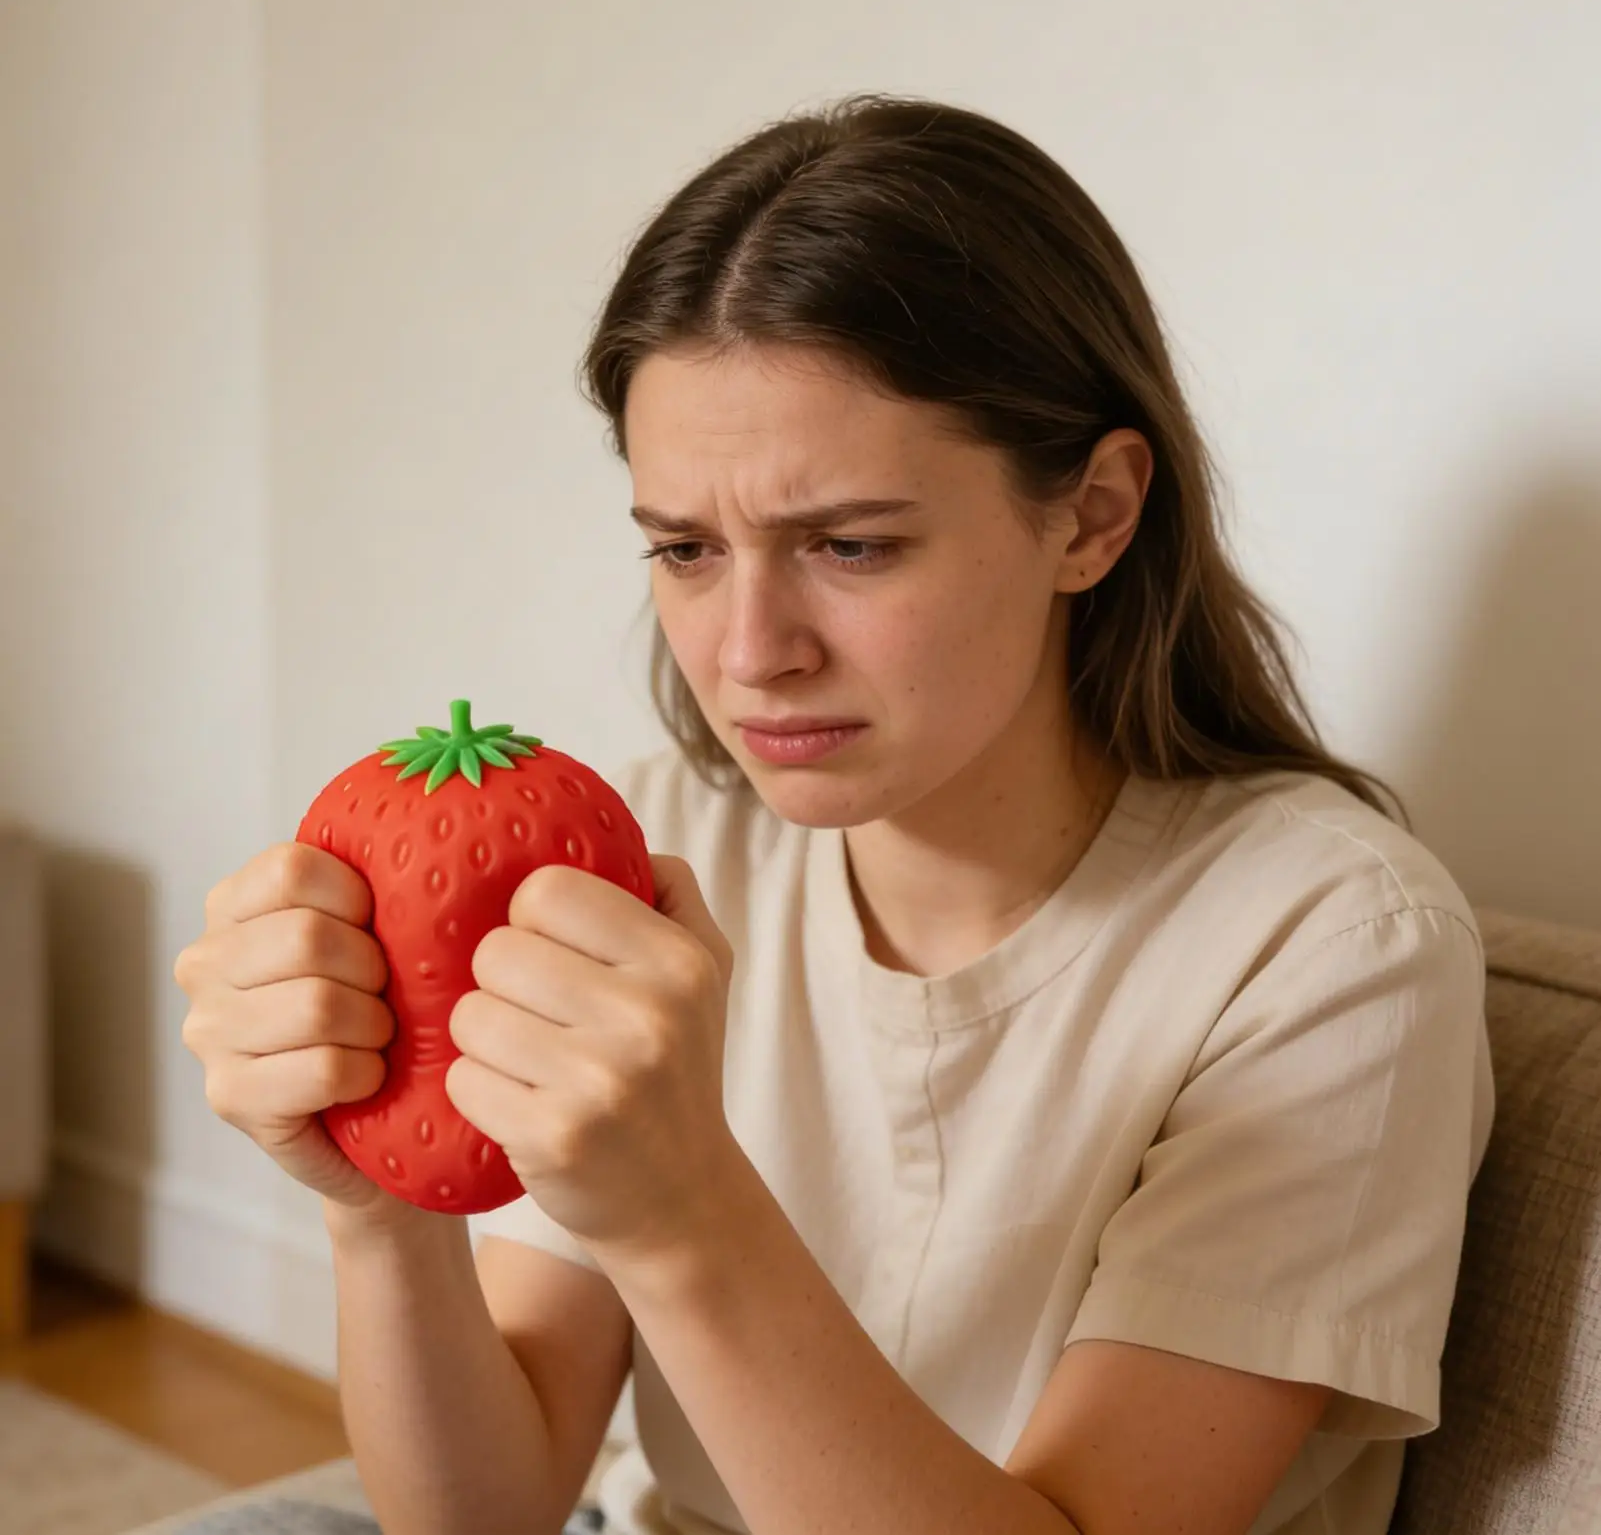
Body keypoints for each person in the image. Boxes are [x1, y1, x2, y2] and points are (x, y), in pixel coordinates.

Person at [173, 92, 1494, 1535]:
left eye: (849, 545)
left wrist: (679, 1211)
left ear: (1095, 515)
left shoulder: (1330, 943)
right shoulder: (677, 840)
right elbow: (483, 1513)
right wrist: (381, 1213)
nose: (749, 653)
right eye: (684, 548)